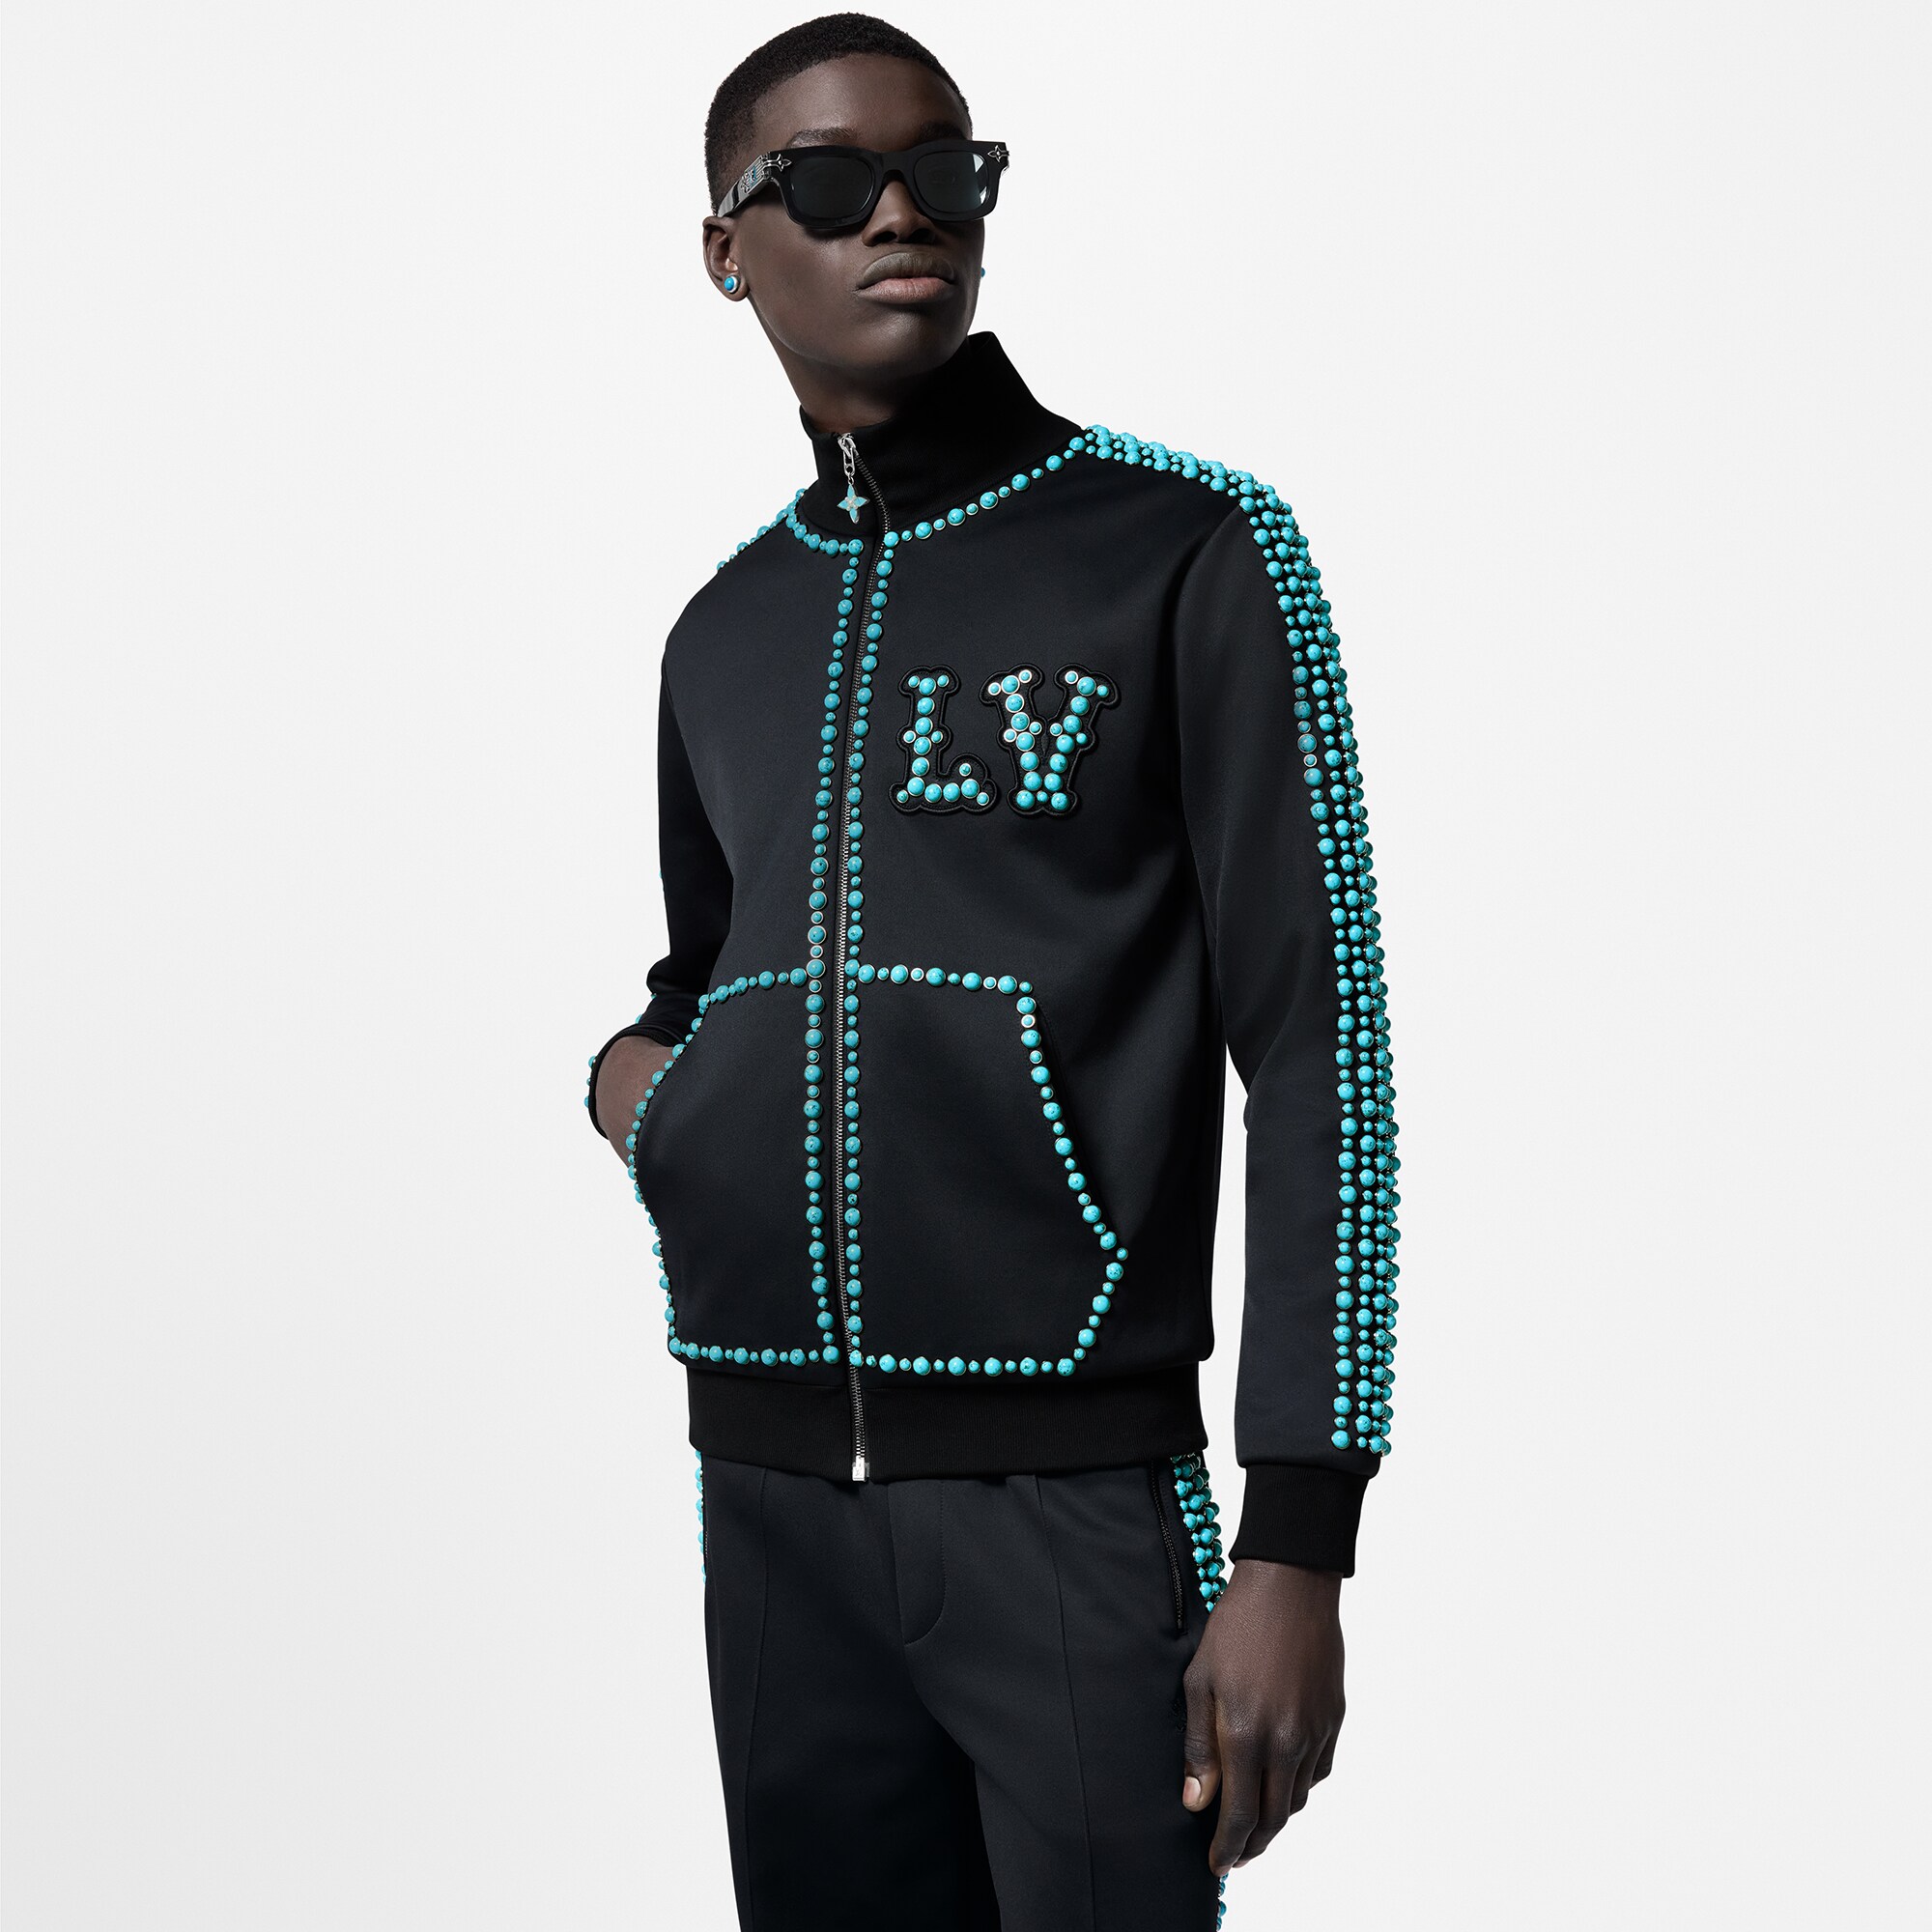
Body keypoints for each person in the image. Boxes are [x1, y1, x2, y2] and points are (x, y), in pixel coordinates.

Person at [582, 14, 1402, 1928]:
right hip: (767, 1507)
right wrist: (642, 1095)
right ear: (724, 246)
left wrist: (1298, 1538)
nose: (901, 214)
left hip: (1072, 1502)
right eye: (829, 181)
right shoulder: (723, 631)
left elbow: (1320, 1050)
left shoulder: (1185, 551)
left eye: (945, 171)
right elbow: (702, 982)